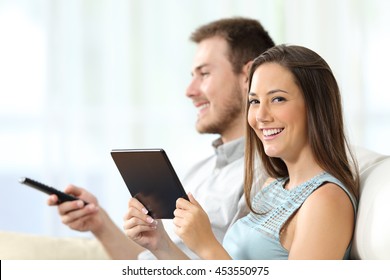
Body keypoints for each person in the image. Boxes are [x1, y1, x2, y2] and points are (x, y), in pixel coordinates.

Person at [47, 17, 275, 259]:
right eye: (192, 75)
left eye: (204, 74)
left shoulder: (265, 175)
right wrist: (99, 223)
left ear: (248, 75)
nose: (190, 91)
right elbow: (152, 260)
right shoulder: (199, 171)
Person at [123, 44, 360, 260]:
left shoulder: (326, 200)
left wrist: (206, 245)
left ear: (316, 107)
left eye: (278, 99)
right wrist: (160, 244)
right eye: (254, 101)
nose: (261, 116)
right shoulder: (274, 186)